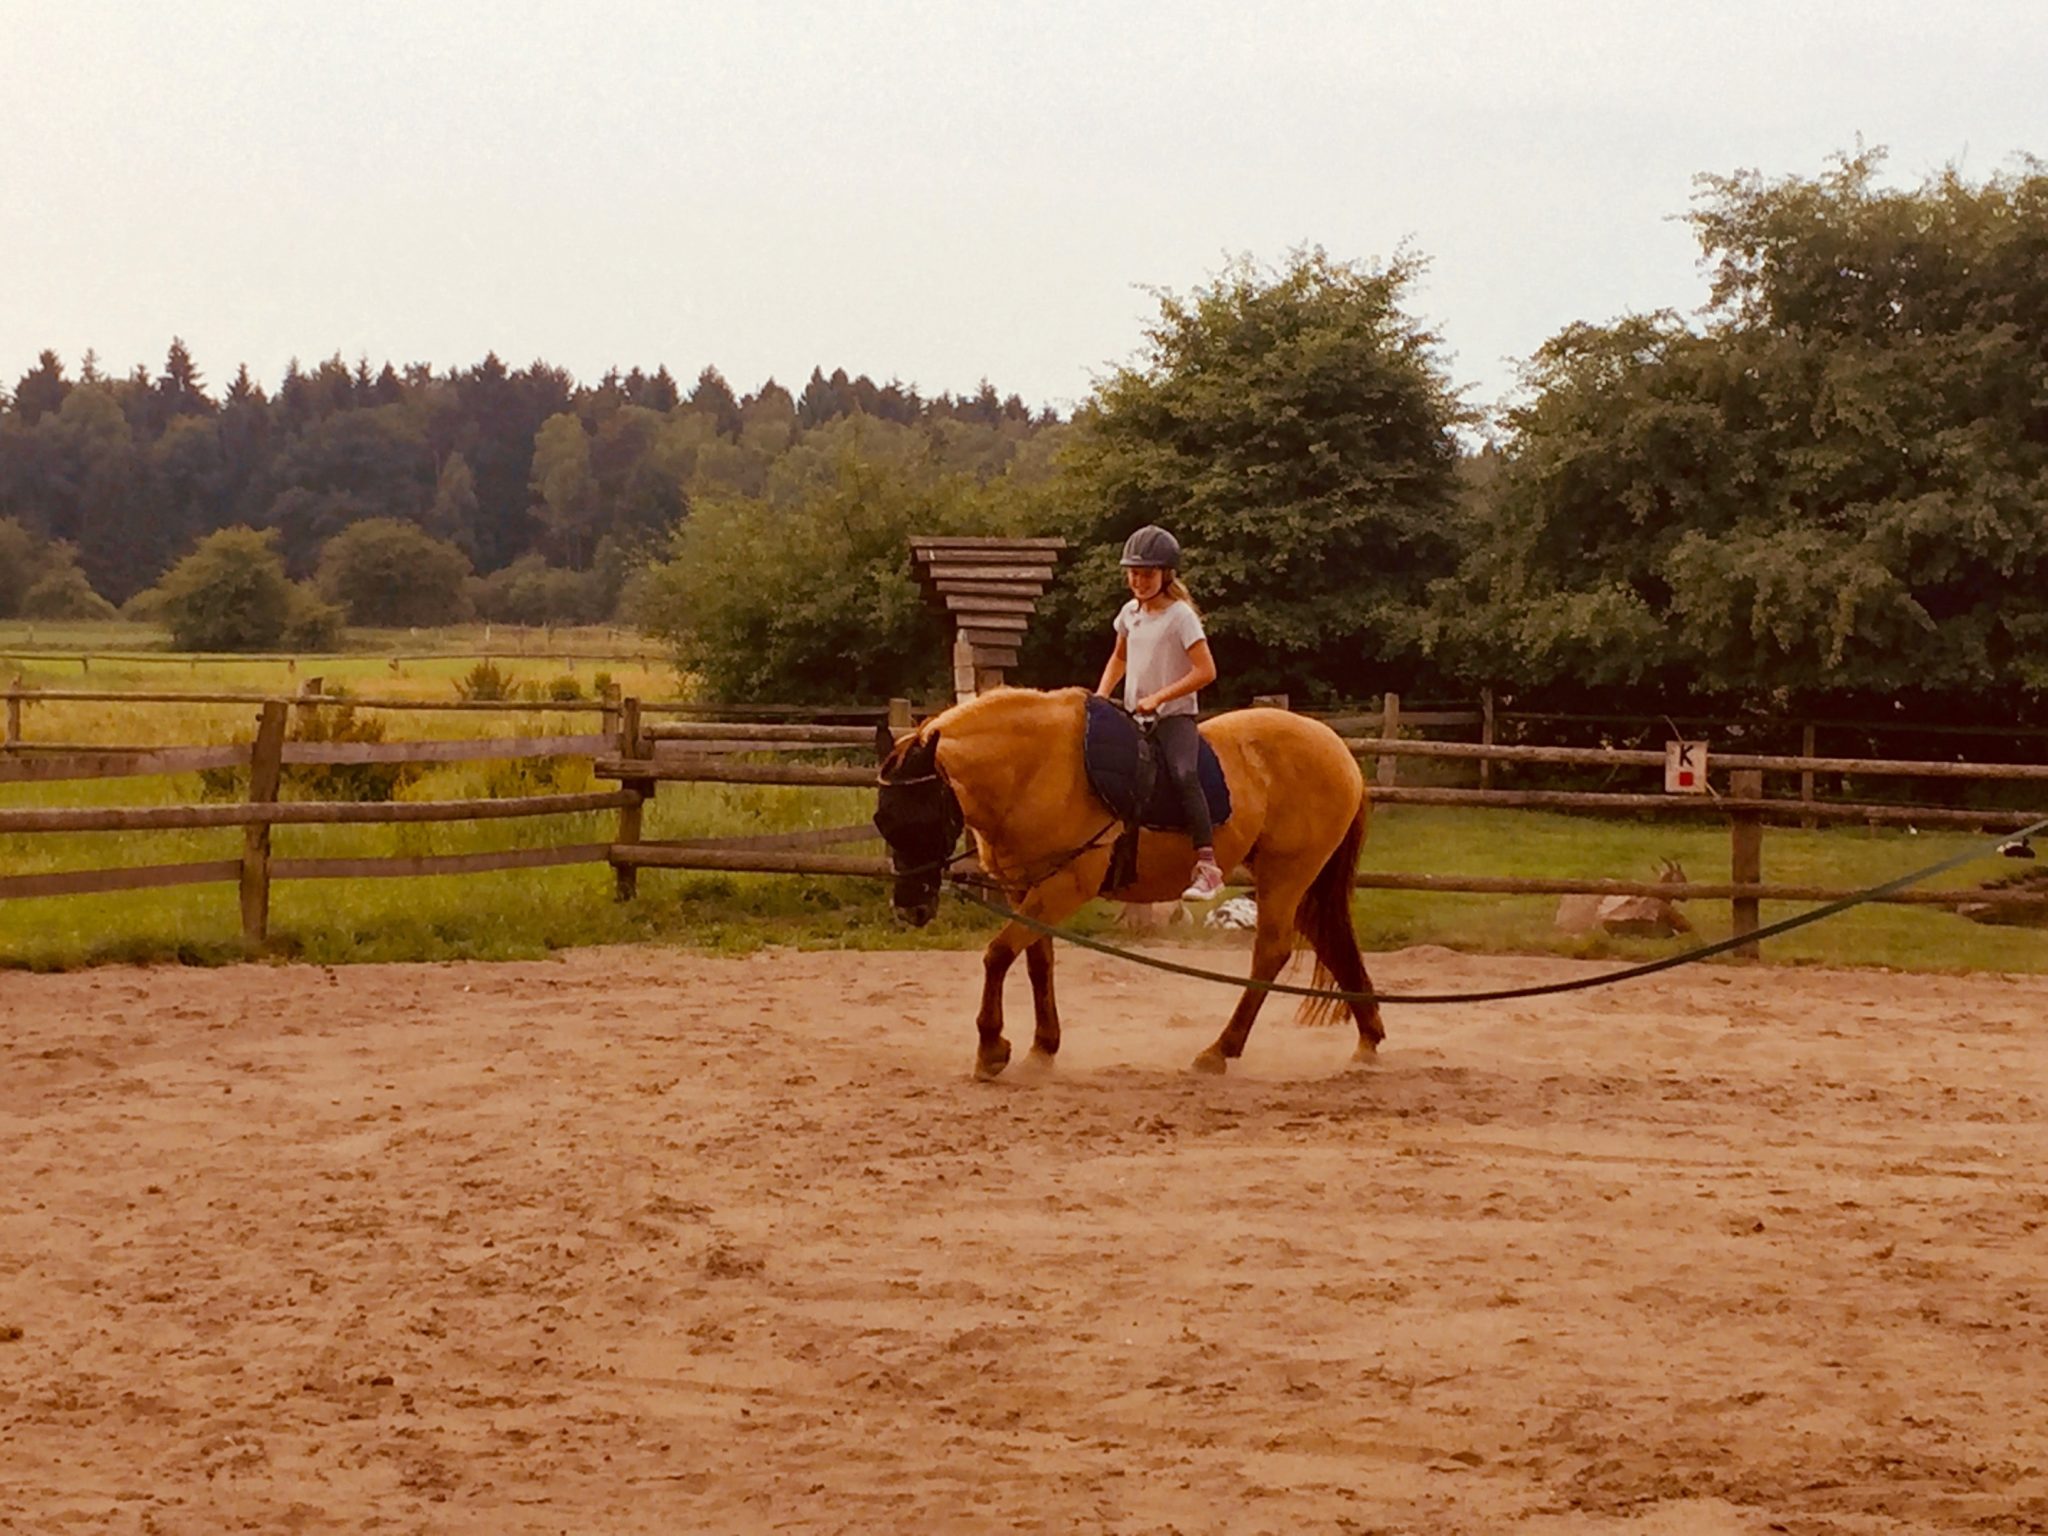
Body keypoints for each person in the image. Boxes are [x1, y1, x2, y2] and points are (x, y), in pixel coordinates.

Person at [1093, 524, 1224, 900]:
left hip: (1173, 717)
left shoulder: (1180, 616)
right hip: (1135, 717)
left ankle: (1207, 864)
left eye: (1147, 574)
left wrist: (1160, 698)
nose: (1139, 580)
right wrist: (1102, 694)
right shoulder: (1129, 614)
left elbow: (1205, 671)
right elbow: (1119, 656)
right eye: (1134, 573)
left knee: (1184, 774)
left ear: (1165, 575)